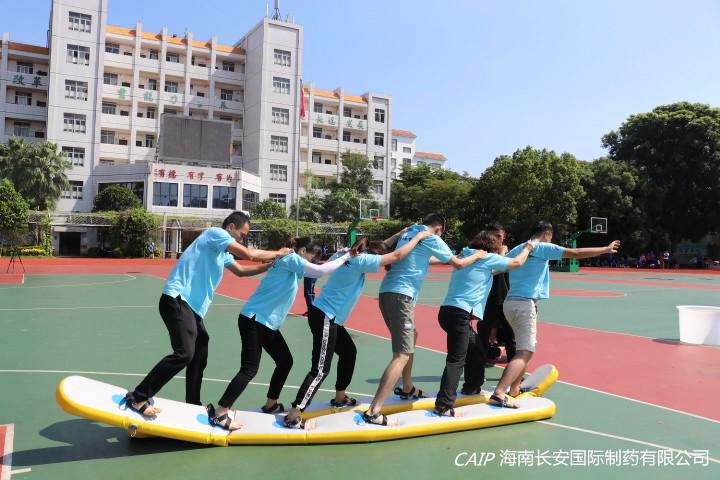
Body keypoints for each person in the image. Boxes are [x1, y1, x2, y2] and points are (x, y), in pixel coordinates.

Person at [124, 212, 292, 417]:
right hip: (177, 299)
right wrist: (278, 253)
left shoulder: (222, 252)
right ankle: (138, 396)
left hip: (192, 309)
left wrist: (269, 265)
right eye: (242, 234)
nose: (242, 239)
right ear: (231, 227)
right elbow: (248, 254)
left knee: (200, 352)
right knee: (184, 353)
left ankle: (193, 403)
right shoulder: (215, 234)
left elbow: (241, 271)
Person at [282, 229, 434, 429]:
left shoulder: (351, 254)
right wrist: (418, 237)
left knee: (348, 352)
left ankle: (340, 397)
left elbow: (380, 247)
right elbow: (396, 255)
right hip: (325, 316)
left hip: (328, 317)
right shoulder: (361, 260)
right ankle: (294, 414)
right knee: (320, 369)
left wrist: (399, 234)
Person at [206, 237, 351, 431]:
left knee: (285, 361)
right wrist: (347, 256)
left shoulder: (292, 262)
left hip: (265, 323)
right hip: (254, 320)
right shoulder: (291, 259)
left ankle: (271, 404)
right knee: (249, 369)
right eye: (312, 257)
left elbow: (317, 269)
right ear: (302, 251)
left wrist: (339, 255)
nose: (313, 261)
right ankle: (221, 412)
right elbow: (319, 271)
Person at [362, 213, 487, 426]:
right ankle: (374, 410)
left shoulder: (410, 232)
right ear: (440, 228)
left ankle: (407, 387)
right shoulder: (431, 237)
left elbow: (427, 259)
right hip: (401, 296)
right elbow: (458, 264)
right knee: (401, 354)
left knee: (412, 337)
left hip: (387, 292)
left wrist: (451, 256)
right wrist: (477, 256)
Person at [490, 221, 620, 408]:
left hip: (510, 304)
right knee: (525, 351)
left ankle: (515, 389)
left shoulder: (520, 248)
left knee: (524, 348)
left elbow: (498, 268)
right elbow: (575, 253)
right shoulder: (542, 246)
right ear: (547, 233)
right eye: (551, 236)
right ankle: (500, 392)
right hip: (524, 304)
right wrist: (605, 249)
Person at [433, 230, 534, 416]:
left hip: (448, 312)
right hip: (460, 314)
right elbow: (517, 263)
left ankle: (472, 387)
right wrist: (528, 247)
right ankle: (443, 405)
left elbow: (492, 271)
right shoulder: (486, 258)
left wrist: (500, 256)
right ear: (491, 247)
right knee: (456, 359)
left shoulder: (467, 254)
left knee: (478, 349)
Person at [464, 223, 515, 392]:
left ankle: (514, 374)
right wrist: (502, 255)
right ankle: (478, 375)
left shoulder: (507, 253)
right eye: (496, 236)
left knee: (511, 338)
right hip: (487, 301)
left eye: (501, 236)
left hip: (504, 299)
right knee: (482, 338)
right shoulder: (483, 254)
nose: (499, 239)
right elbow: (494, 269)